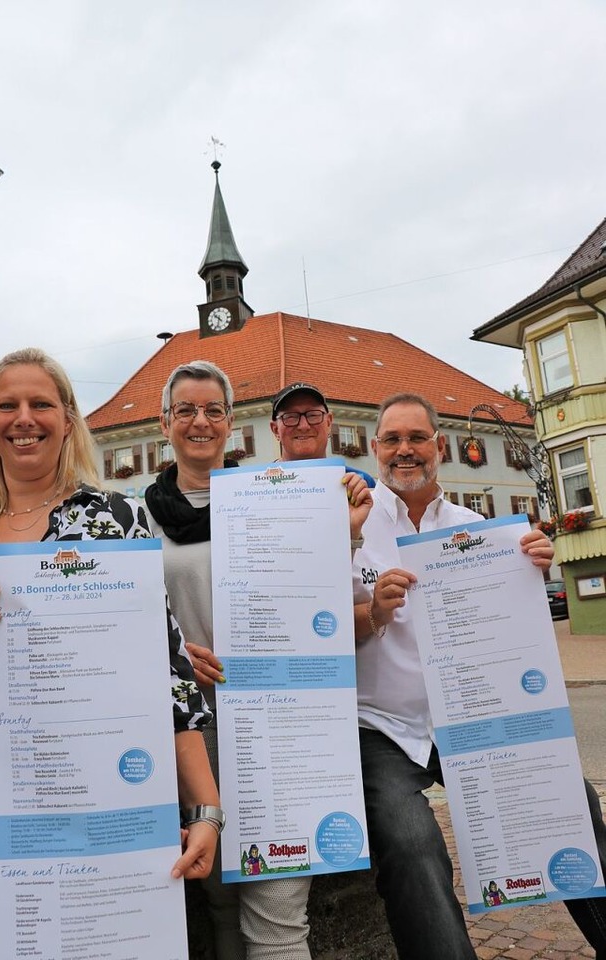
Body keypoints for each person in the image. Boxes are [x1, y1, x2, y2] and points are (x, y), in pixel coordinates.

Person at [0, 348, 221, 960]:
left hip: (102, 822)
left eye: (40, 404)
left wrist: (206, 808)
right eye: (8, 405)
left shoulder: (117, 520)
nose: (24, 418)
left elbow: (169, 674)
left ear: (68, 417)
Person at [351, 391, 606, 960]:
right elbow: (322, 634)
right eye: (392, 439)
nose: (404, 450)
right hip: (383, 728)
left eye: (417, 438)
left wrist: (531, 563)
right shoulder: (354, 528)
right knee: (412, 841)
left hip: (470, 716)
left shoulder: (477, 528)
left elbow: (511, 625)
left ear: (438, 447)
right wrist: (375, 610)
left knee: (571, 799)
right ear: (375, 450)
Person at [145, 362, 372, 960]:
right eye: (187, 410)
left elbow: (315, 600)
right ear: (165, 422)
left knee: (276, 912)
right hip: (195, 736)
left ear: (231, 424)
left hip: (280, 725)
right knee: (217, 899)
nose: (200, 422)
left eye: (213, 410)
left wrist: (343, 534)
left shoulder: (270, 500)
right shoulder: (134, 519)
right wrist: (165, 658)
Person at [270, 381, 375, 488]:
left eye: (313, 415)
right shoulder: (257, 486)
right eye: (291, 417)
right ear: (275, 429)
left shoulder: (362, 484)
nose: (303, 426)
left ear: (329, 423)